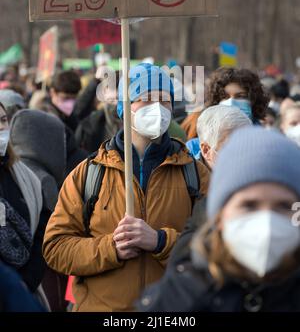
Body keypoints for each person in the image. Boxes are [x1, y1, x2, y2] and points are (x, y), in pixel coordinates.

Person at [43, 63, 206, 312]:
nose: (157, 108)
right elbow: (56, 248)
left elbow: (218, 246)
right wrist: (111, 249)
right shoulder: (88, 173)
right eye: (145, 99)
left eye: (164, 100)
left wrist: (161, 241)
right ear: (124, 107)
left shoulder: (194, 173)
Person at [137, 127, 300, 312]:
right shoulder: (177, 300)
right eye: (249, 205)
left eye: (284, 206)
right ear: (219, 215)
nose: (267, 223)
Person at [168, 105, 252, 269]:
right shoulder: (180, 179)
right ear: (206, 150)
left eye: (247, 144)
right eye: (232, 147)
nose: (243, 153)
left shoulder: (256, 181)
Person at [0, 103, 50, 303]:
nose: (1, 128)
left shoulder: (25, 176)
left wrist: (25, 281)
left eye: (3, 120)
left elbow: (44, 231)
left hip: (24, 292)